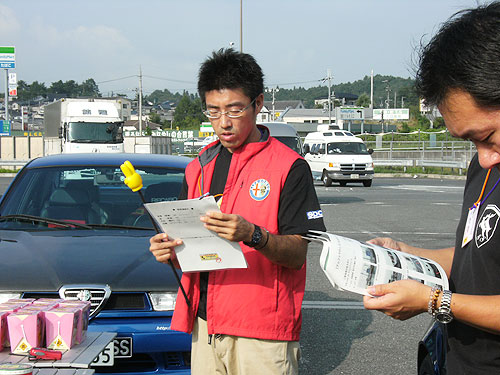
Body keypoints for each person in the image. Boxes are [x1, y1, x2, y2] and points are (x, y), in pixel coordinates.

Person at [149, 48, 325, 374]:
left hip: (263, 332)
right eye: (213, 111)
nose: (224, 123)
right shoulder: (198, 167)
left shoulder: (290, 168)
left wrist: (253, 234)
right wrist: (168, 250)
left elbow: (298, 253)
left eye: (234, 110)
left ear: (258, 104)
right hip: (205, 326)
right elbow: (189, 245)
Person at [363, 2, 500, 373]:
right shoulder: (485, 167)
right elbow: (477, 259)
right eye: (470, 142)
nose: (484, 157)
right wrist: (408, 253)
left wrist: (434, 300)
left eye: (487, 136)